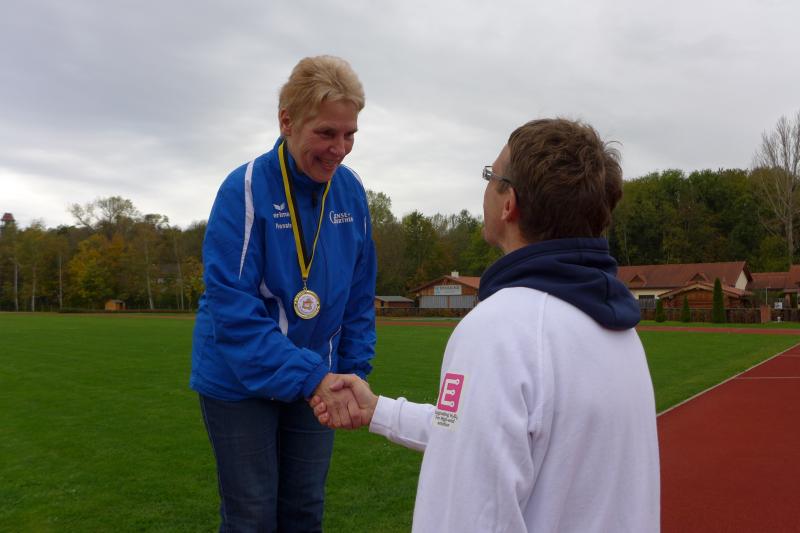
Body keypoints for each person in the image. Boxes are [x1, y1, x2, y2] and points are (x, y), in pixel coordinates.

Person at [312, 118, 660, 532]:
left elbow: (467, 513)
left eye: (490, 177)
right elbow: (481, 435)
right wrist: (379, 411)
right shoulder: (618, 329)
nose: (486, 188)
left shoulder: (502, 329)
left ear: (509, 202)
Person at [190, 55, 377, 532]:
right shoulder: (245, 190)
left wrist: (350, 375)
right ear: (287, 121)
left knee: (304, 511)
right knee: (251, 516)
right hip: (239, 380)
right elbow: (233, 309)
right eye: (326, 133)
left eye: (350, 134)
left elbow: (358, 298)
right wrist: (315, 379)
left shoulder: (351, 192)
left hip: (316, 377)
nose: (339, 149)